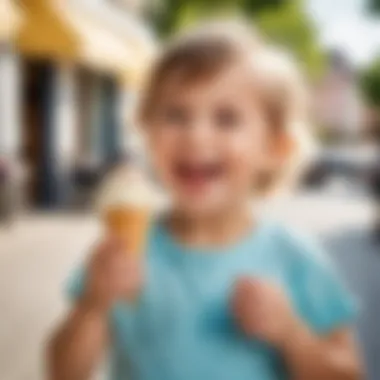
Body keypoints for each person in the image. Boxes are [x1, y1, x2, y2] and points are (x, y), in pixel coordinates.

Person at [48, 22, 362, 380]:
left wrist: (292, 335)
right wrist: (93, 305)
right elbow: (62, 371)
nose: (196, 136)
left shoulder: (294, 257)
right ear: (146, 132)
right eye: (175, 115)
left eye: (226, 119)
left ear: (275, 147)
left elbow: (348, 373)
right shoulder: (122, 252)